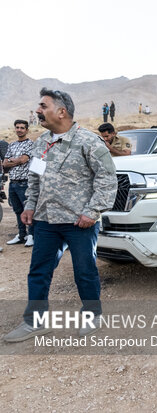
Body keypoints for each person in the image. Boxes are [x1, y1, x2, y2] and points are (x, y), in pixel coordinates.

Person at [3, 88, 117, 343]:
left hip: (79, 222)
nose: (38, 110)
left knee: (84, 271)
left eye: (43, 106)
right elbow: (35, 177)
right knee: (38, 271)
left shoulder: (89, 141)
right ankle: (35, 322)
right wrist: (30, 205)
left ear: (61, 111)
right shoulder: (42, 141)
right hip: (45, 221)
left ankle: (92, 314)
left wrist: (92, 211)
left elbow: (108, 180)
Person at [2, 120, 35, 247]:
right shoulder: (12, 145)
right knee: (17, 210)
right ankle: (22, 235)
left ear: (27, 130)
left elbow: (23, 159)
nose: (19, 130)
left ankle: (31, 235)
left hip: (25, 182)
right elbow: (5, 163)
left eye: (22, 128)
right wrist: (14, 161)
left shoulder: (30, 144)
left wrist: (13, 160)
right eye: (17, 127)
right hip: (13, 182)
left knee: (28, 209)